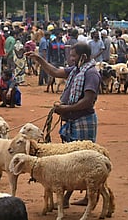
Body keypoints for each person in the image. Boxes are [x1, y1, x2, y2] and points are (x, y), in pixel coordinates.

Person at [26, 42, 101, 206]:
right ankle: (70, 197)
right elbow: (55, 72)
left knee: (82, 160)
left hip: (83, 120)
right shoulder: (76, 70)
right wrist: (39, 59)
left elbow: (88, 101)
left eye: (73, 56)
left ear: (83, 57)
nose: (71, 59)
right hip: (72, 119)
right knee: (70, 160)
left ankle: (85, 197)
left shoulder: (91, 74)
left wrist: (66, 108)